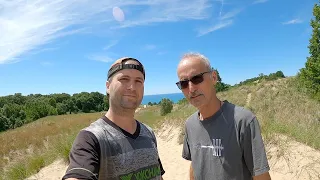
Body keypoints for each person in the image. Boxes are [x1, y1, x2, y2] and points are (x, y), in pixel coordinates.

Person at [62, 57, 165, 180]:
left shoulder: (148, 133)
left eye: (138, 81)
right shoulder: (90, 138)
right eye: (124, 79)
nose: (132, 87)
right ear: (108, 86)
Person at [176, 52, 271, 180]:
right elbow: (195, 164)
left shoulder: (243, 121)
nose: (191, 88)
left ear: (214, 77)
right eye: (184, 83)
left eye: (197, 78)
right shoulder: (190, 124)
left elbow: (261, 175)